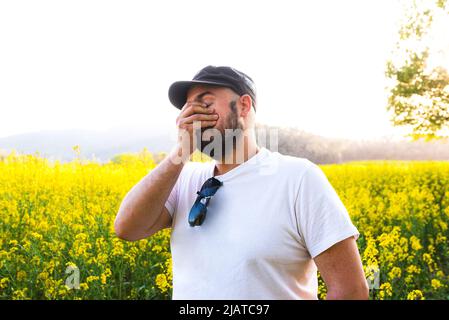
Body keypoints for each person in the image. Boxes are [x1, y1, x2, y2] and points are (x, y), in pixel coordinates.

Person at [114, 65, 369, 300]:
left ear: (244, 106)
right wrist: (180, 151)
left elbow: (351, 289)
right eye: (188, 108)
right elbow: (127, 228)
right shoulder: (183, 179)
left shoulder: (299, 179)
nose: (193, 115)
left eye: (206, 103)